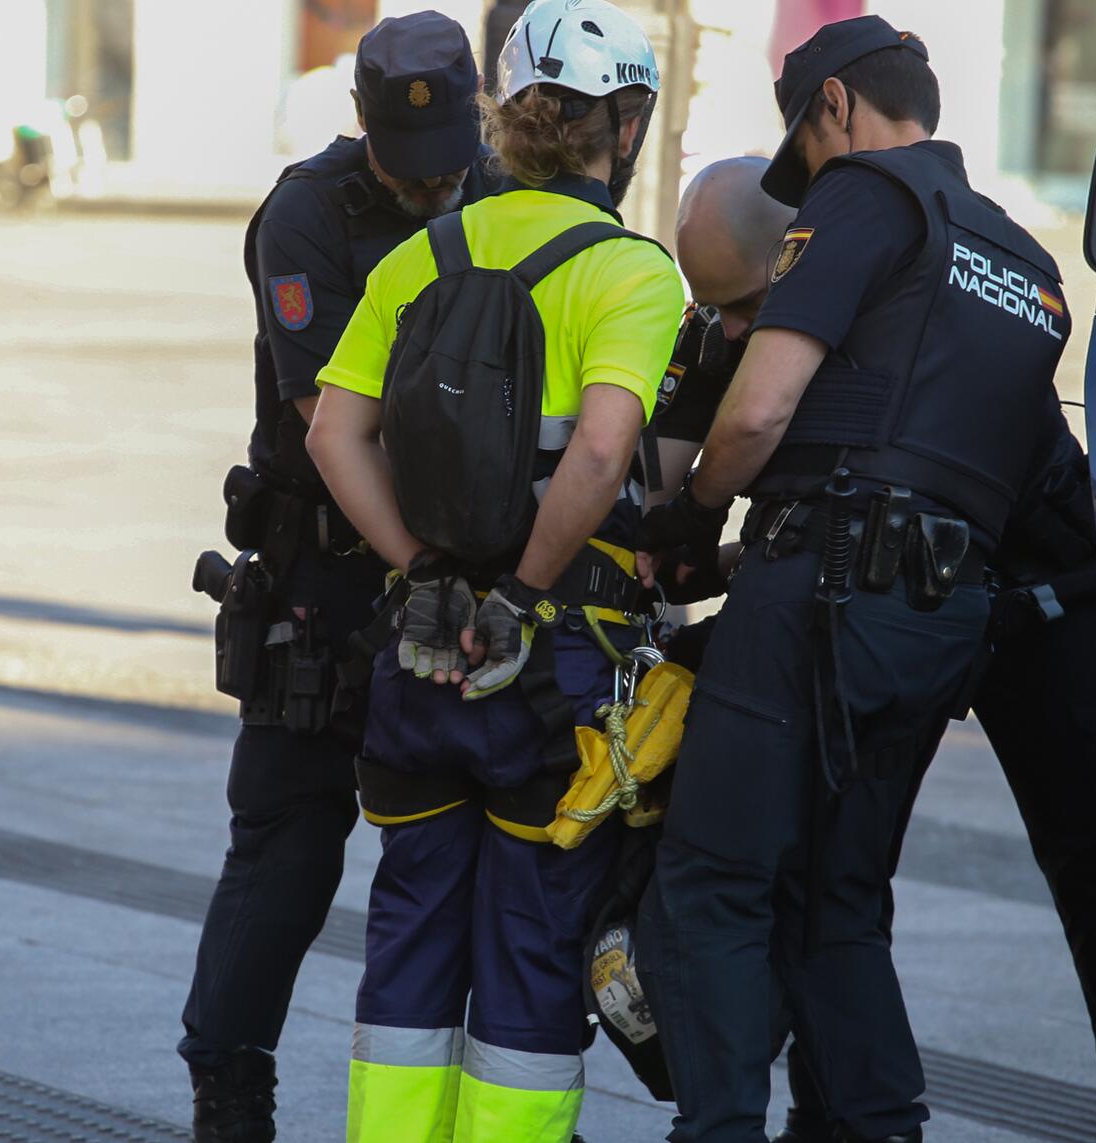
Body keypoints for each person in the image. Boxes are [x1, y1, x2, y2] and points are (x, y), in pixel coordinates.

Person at [659, 156, 1096, 1143]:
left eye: (743, 305)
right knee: (839, 875)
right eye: (715, 313)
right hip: (913, 602)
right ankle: (827, 1119)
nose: (734, 332)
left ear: (794, 268)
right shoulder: (754, 328)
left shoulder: (876, 292)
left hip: (1048, 599)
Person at [635, 18, 1075, 1142]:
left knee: (713, 888)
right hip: (936, 624)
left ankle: (718, 1128)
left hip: (815, 602)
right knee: (835, 900)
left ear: (832, 105)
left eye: (808, 141)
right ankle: (875, 1128)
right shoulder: (1020, 261)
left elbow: (760, 412)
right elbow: (954, 470)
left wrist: (690, 521)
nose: (810, 176)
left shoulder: (863, 195)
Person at [307, 1, 683, 1138]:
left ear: (504, 125)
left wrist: (421, 568)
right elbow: (607, 449)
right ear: (621, 125)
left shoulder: (421, 254)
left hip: (417, 660)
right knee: (529, 952)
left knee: (408, 934)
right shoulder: (629, 274)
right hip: (550, 669)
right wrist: (521, 592)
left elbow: (333, 434)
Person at [176, 13, 497, 1142]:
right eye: (410, 169)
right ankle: (228, 1084)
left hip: (471, 571)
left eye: (451, 159)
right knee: (288, 846)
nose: (433, 186)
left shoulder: (496, 186)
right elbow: (331, 421)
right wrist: (428, 561)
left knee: (466, 854)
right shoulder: (306, 213)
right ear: (360, 124)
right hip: (332, 571)